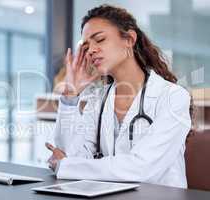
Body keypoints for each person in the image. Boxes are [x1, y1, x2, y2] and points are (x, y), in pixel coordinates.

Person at [45, 4, 192, 188]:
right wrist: (70, 97)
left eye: (99, 39)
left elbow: (142, 169)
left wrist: (68, 166)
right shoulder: (98, 100)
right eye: (87, 46)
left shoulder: (173, 97)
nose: (91, 50)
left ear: (129, 39)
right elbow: (70, 157)